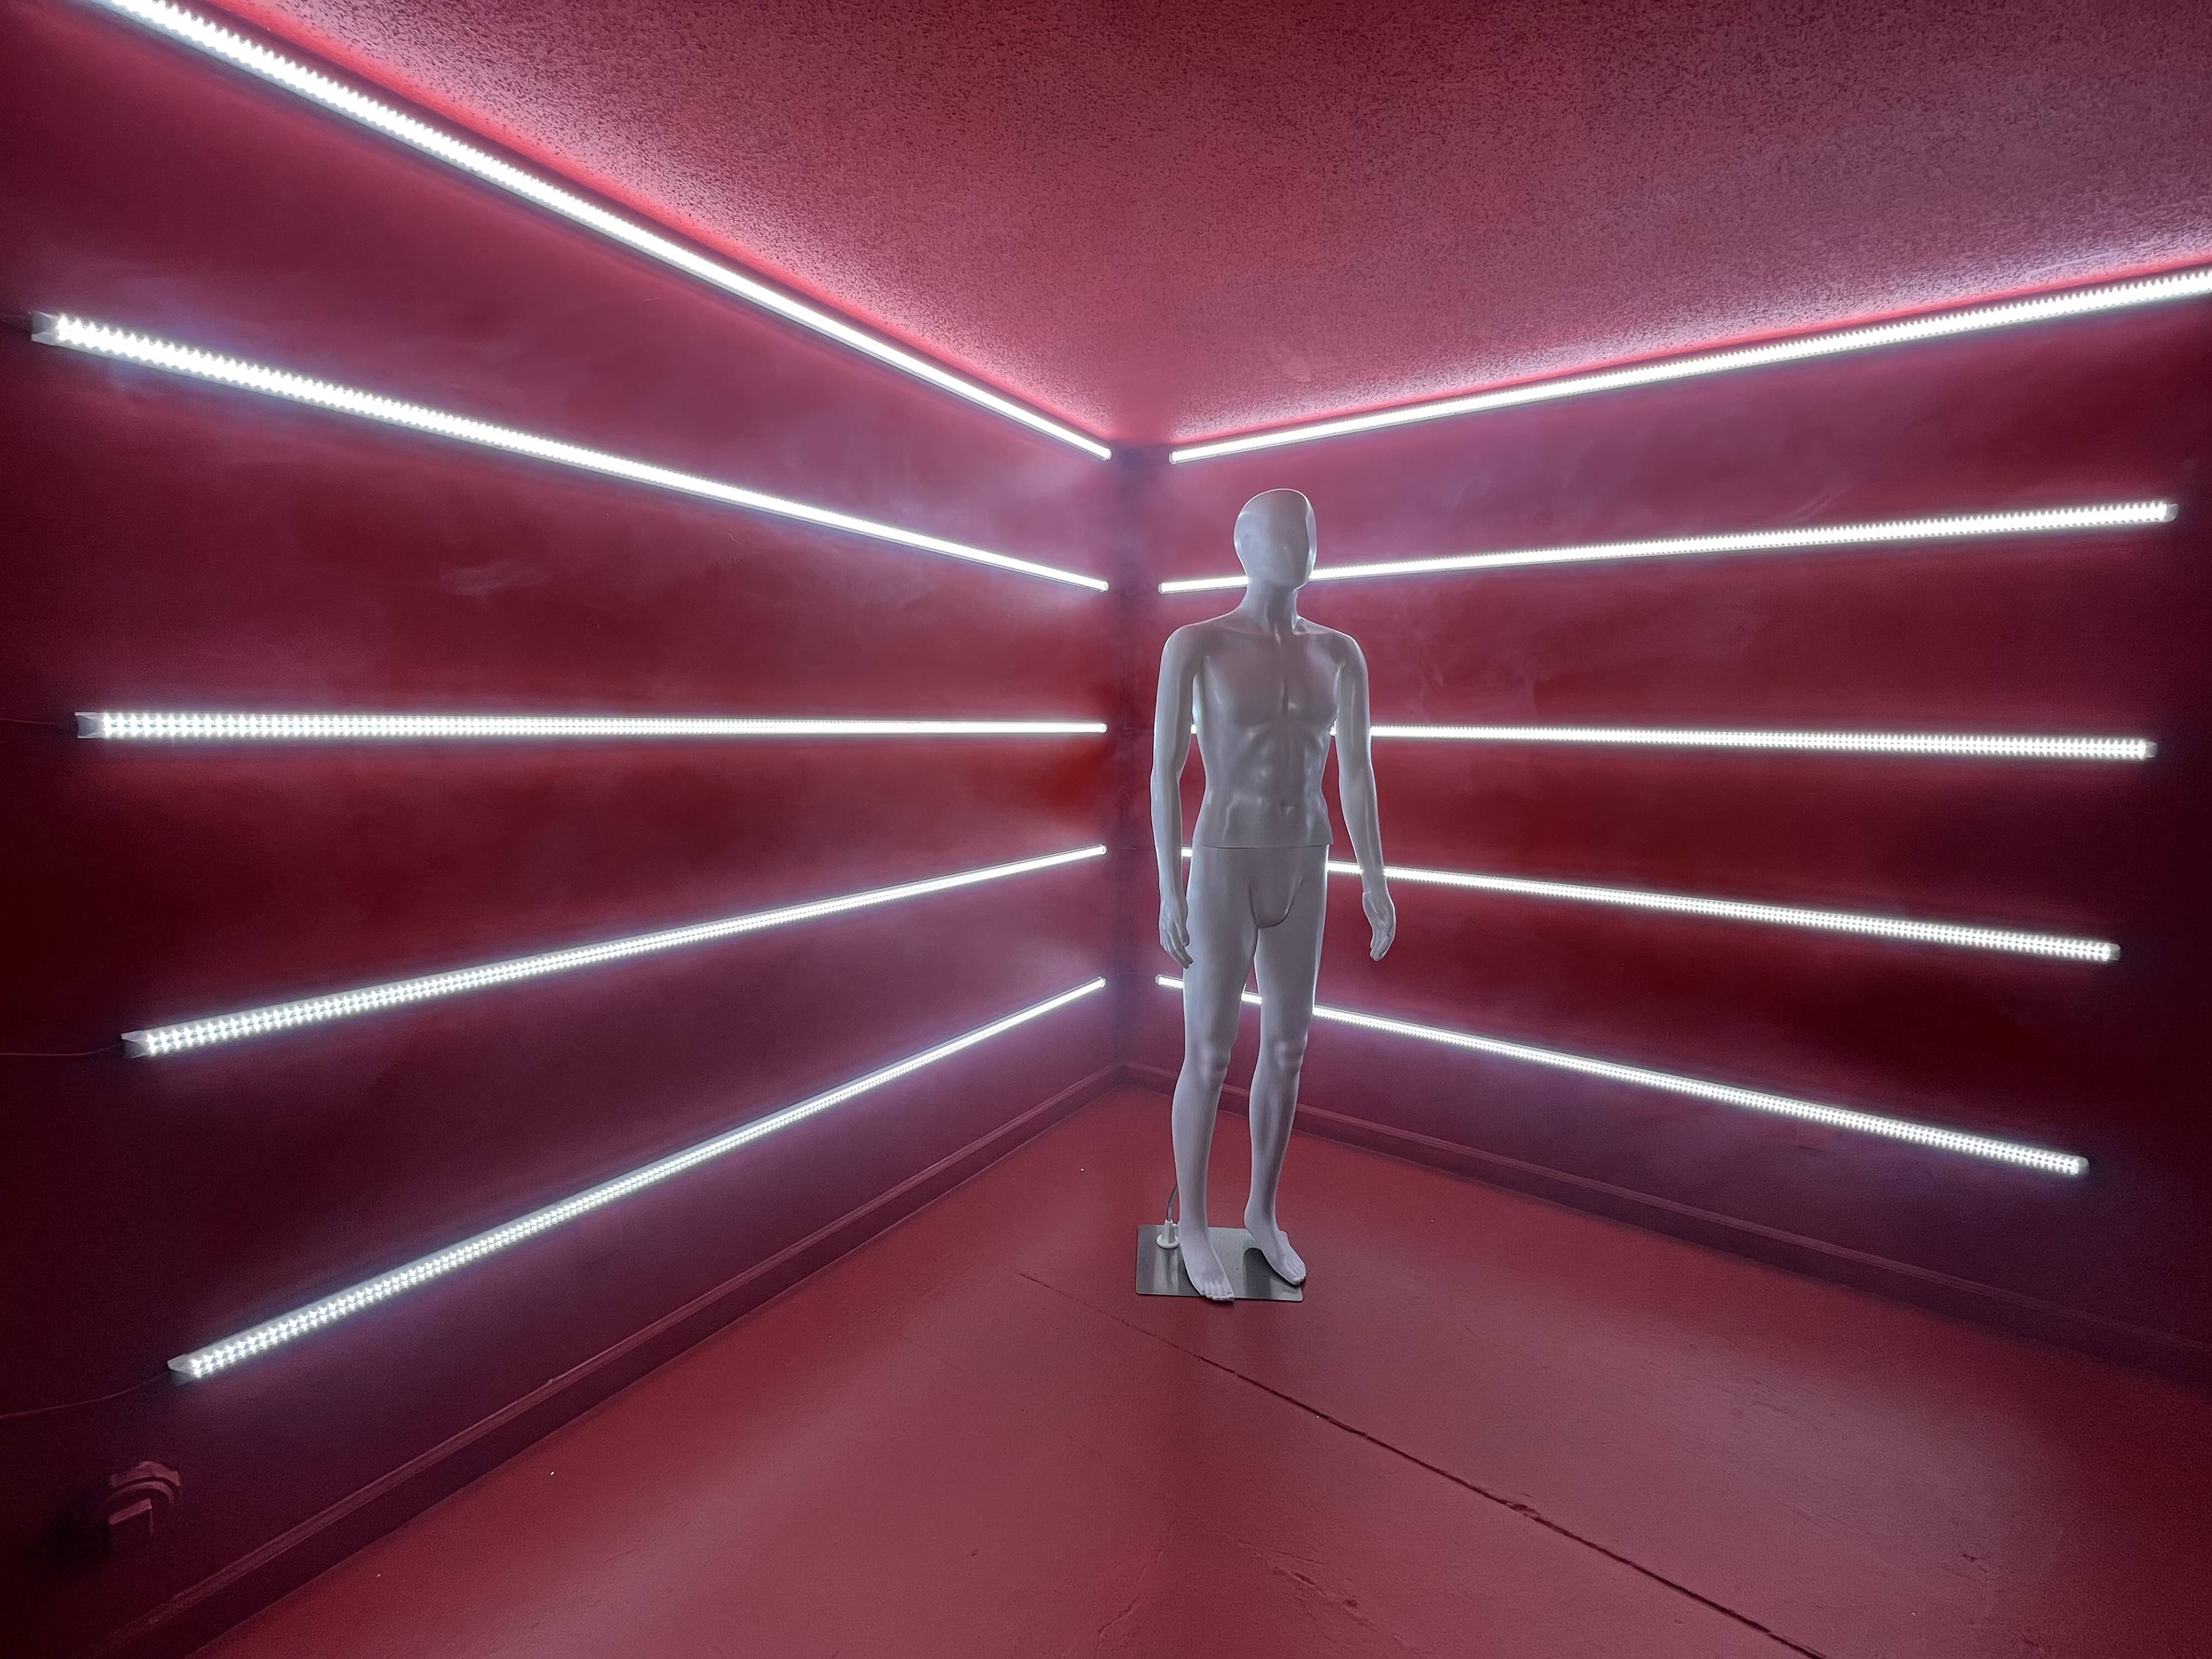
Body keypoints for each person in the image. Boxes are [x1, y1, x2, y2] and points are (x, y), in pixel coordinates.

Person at [1152, 487, 1394, 1301]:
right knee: (1210, 1052)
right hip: (1224, 860)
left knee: (1289, 1049)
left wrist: (1377, 880)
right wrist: (1167, 887)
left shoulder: (1340, 655)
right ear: (1243, 542)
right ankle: (1190, 1223)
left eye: (1310, 531)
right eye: (1280, 531)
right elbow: (1163, 771)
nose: (1299, 544)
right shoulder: (1198, 644)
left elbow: (1356, 771)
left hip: (1305, 859)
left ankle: (1261, 1212)